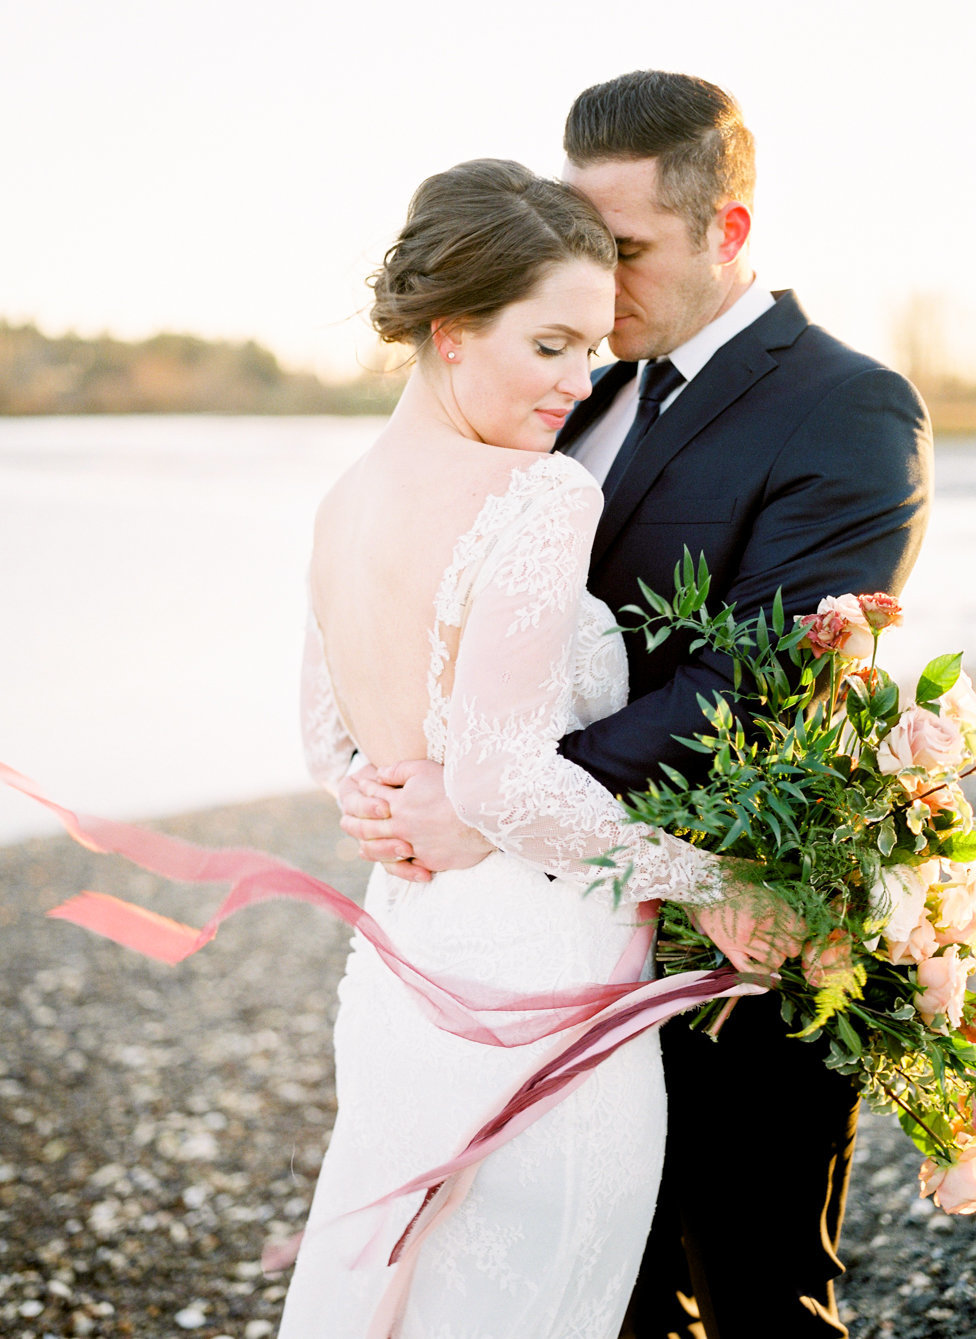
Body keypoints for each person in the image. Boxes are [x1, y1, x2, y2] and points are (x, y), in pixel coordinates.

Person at [339, 73, 934, 1339]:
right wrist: (379, 763)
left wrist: (490, 800)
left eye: (623, 252)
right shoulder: (574, 383)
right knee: (597, 1293)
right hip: (544, 944)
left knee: (758, 1285)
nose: (591, 291)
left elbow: (760, 683)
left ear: (727, 230)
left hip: (727, 936)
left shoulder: (847, 406)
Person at [278, 157, 764, 1339]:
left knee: (401, 1291)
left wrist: (387, 804)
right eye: (549, 345)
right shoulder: (537, 496)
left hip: (405, 960)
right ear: (452, 330)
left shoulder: (344, 496)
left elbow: (326, 743)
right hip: (542, 978)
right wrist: (717, 881)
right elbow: (499, 776)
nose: (579, 382)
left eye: (592, 348)